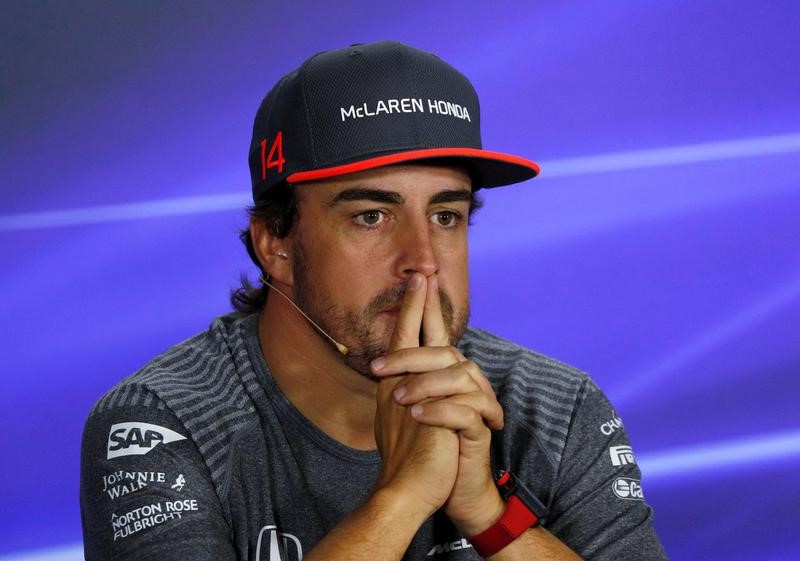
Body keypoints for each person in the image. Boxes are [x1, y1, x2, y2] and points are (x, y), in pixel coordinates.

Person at [80, 41, 668, 560]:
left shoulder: (555, 407)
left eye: (446, 215)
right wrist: (403, 495)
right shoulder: (159, 423)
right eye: (371, 216)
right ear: (275, 244)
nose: (424, 259)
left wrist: (491, 517)